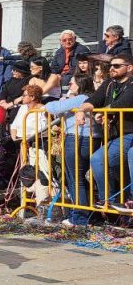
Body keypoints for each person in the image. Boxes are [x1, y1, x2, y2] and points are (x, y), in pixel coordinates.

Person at [78, 53, 133, 207]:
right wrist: (82, 110)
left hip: (129, 133)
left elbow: (122, 104)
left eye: (116, 66)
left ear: (129, 68)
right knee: (98, 160)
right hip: (116, 135)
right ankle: (108, 200)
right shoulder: (109, 83)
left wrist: (102, 112)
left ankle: (130, 200)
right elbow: (93, 100)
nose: (112, 69)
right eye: (111, 65)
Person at [45, 75, 98, 225]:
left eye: (72, 83)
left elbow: (53, 108)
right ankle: (88, 214)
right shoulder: (88, 97)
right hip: (89, 138)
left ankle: (80, 216)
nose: (69, 85)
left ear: (80, 84)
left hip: (78, 137)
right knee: (79, 177)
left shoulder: (82, 97)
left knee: (75, 178)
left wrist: (56, 104)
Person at [10, 84, 50, 205]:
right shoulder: (23, 108)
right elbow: (14, 125)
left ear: (32, 97)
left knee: (41, 173)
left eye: (24, 95)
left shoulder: (44, 109)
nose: (22, 97)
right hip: (22, 143)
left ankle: (42, 204)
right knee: (28, 174)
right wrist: (14, 137)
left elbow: (46, 129)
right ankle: (28, 202)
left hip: (38, 144)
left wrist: (30, 137)